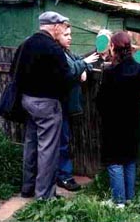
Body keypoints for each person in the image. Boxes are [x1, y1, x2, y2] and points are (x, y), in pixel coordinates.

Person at [17, 11, 71, 199]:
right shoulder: (53, 48)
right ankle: (45, 196)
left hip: (27, 101)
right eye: (63, 28)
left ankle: (27, 188)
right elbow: (66, 78)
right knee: (48, 149)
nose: (63, 30)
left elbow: (15, 71)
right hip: (47, 104)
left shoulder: (26, 43)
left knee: (31, 145)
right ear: (55, 27)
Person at [97, 31, 140, 208]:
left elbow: (101, 101)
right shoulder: (139, 69)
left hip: (113, 124)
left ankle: (118, 202)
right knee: (130, 159)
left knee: (115, 160)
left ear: (113, 47)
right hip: (132, 122)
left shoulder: (110, 72)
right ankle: (129, 198)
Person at [55, 25, 100, 191]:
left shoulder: (67, 52)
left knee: (64, 141)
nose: (70, 38)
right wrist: (81, 66)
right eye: (66, 35)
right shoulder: (58, 54)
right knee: (62, 142)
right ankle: (63, 176)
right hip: (59, 105)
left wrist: (83, 69)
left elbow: (81, 63)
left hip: (67, 105)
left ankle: (62, 174)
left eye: (71, 34)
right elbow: (70, 70)